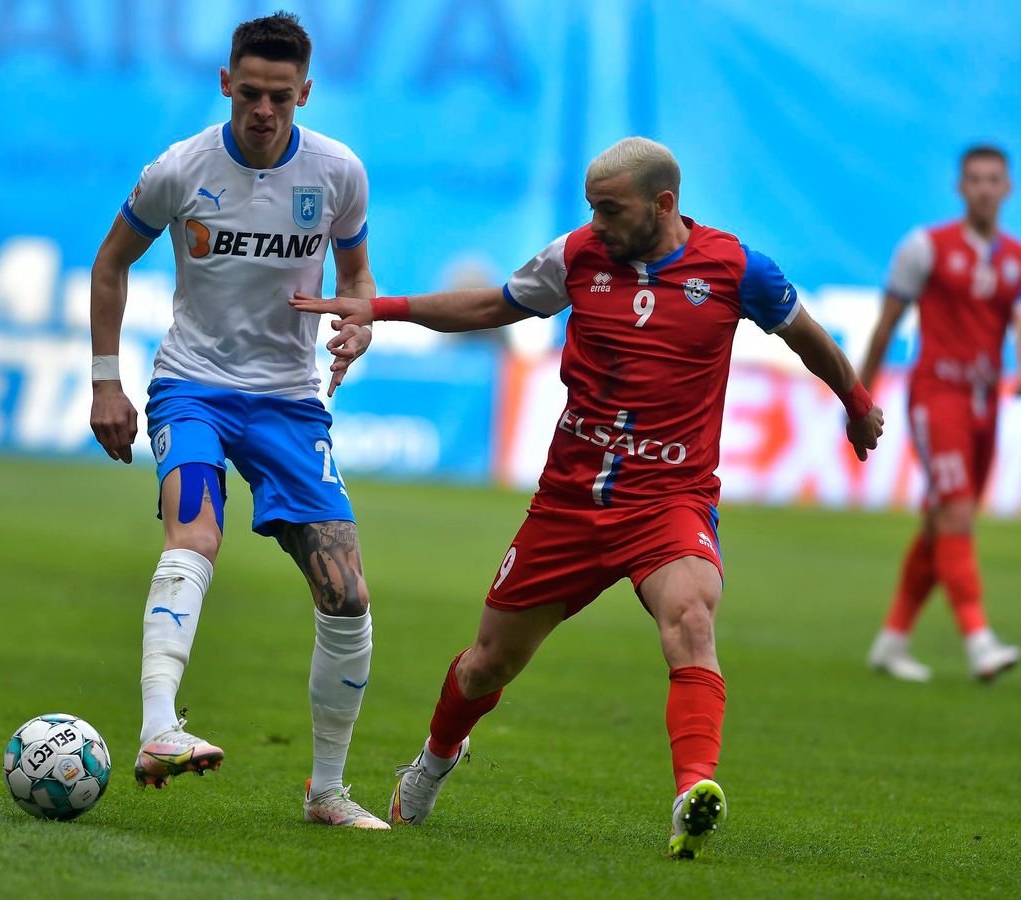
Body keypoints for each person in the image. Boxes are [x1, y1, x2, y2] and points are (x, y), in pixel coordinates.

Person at [293, 137, 884, 859]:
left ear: (664, 205)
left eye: (611, 209)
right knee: (487, 664)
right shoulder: (577, 257)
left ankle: (692, 794)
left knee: (692, 618)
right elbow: (490, 304)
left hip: (669, 501)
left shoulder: (735, 268)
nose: (597, 223)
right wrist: (378, 308)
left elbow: (806, 336)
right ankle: (434, 761)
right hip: (571, 503)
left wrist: (855, 401)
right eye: (591, 209)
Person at [88, 11, 389, 830]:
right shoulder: (181, 169)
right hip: (192, 385)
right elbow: (111, 262)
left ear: (306, 92)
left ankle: (326, 793)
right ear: (226, 83)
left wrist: (357, 323)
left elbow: (357, 273)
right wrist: (107, 383)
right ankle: (158, 729)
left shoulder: (338, 173)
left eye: (281, 97)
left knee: (348, 595)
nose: (264, 110)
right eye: (250, 93)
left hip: (290, 401)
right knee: (194, 539)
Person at [864, 145, 1021, 683]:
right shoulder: (925, 247)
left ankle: (891, 640)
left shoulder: (1014, 258)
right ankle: (978, 641)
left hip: (985, 403)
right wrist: (858, 394)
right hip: (937, 396)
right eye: (973, 179)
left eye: (993, 179)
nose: (982, 188)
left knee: (940, 522)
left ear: (1007, 189)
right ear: (960, 187)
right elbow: (886, 326)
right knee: (957, 516)